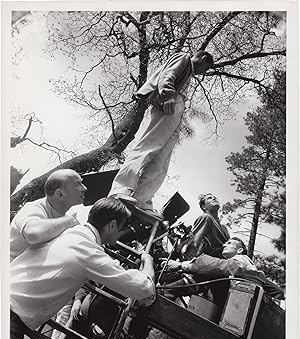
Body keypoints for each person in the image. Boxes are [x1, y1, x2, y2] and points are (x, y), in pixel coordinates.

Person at [10, 197, 156, 339]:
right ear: (112, 225)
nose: (122, 233)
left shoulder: (67, 231)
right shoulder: (89, 252)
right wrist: (148, 261)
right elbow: (144, 288)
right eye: (122, 228)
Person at [109, 50, 214, 215]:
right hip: (167, 105)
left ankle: (141, 198)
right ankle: (121, 189)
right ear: (203, 58)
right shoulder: (184, 58)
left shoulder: (189, 73)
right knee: (146, 148)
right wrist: (167, 95)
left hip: (175, 113)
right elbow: (168, 75)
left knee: (161, 159)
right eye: (206, 68)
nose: (203, 73)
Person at [160, 237, 285, 301]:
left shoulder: (241, 259)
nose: (224, 245)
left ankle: (168, 291)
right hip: (239, 300)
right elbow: (276, 290)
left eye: (229, 243)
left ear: (240, 250)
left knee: (211, 272)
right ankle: (169, 289)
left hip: (241, 301)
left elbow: (221, 267)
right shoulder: (250, 269)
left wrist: (183, 265)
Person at [10, 169, 87, 262]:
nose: (84, 188)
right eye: (77, 184)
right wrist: (70, 220)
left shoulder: (62, 219)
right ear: (60, 194)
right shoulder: (33, 208)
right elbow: (33, 234)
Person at [181, 193, 230, 260]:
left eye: (215, 197)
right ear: (204, 207)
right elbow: (195, 241)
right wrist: (186, 262)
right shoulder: (205, 217)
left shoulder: (224, 228)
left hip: (221, 263)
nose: (214, 198)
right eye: (209, 198)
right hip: (207, 261)